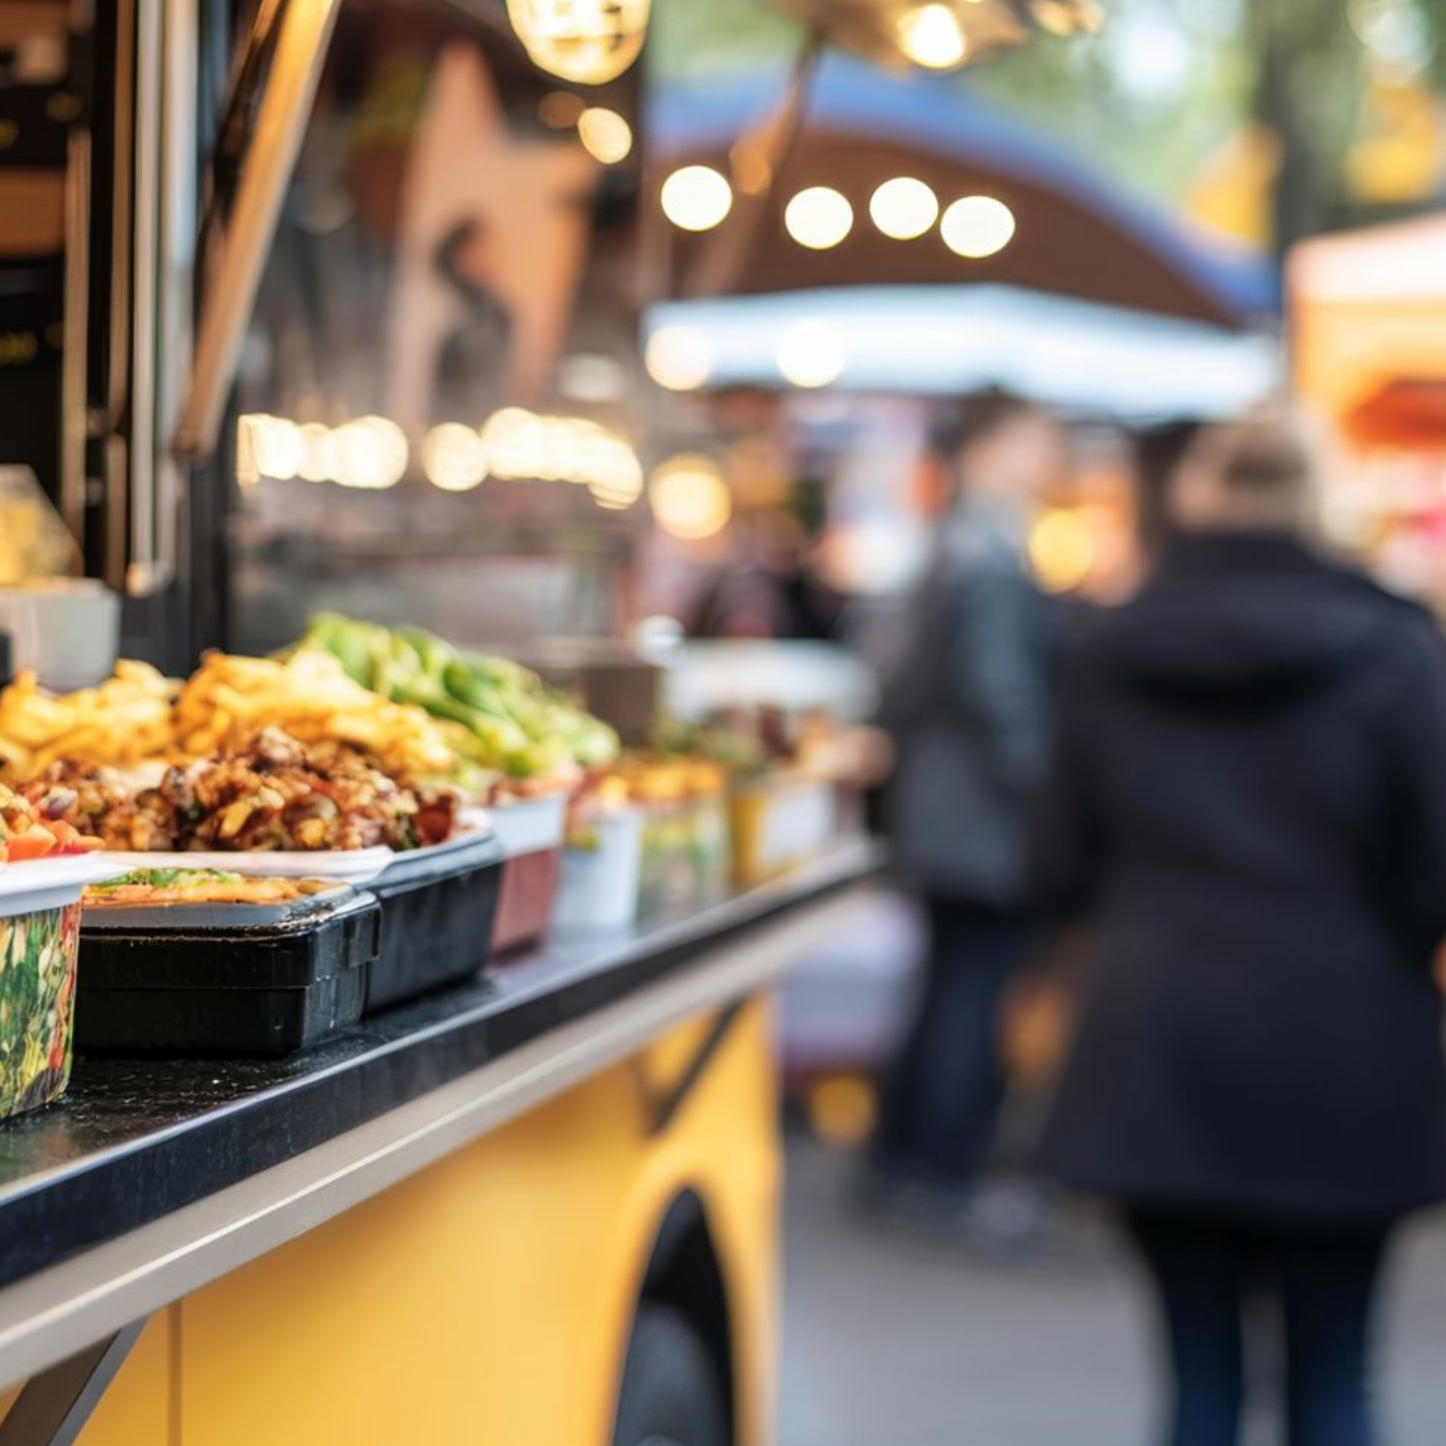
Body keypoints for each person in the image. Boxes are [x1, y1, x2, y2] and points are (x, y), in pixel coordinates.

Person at [1031, 411, 1446, 1446]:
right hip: (1348, 1040)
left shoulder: (1107, 647)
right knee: (1337, 1381)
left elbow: (1054, 866)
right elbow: (1437, 866)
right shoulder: (1398, 646)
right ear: (1318, 500)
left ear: (1191, 499)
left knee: (1197, 1389)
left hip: (1159, 1041)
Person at [868, 390, 1065, 1203]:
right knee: (971, 988)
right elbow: (998, 691)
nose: (1048, 459)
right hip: (978, 817)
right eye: (1035, 441)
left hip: (943, 809)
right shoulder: (985, 549)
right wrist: (1048, 782)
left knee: (949, 981)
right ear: (990, 448)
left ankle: (905, 1154)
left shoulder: (953, 542)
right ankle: (942, 1167)